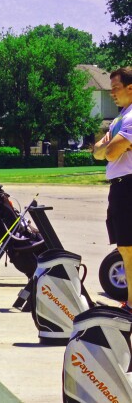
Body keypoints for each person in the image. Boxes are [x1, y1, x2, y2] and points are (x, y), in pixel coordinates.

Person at [93, 66, 132, 310]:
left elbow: (110, 152)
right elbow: (98, 151)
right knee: (125, 248)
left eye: (116, 89)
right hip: (118, 187)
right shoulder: (120, 118)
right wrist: (109, 147)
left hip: (129, 185)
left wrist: (110, 148)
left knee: (129, 248)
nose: (112, 94)